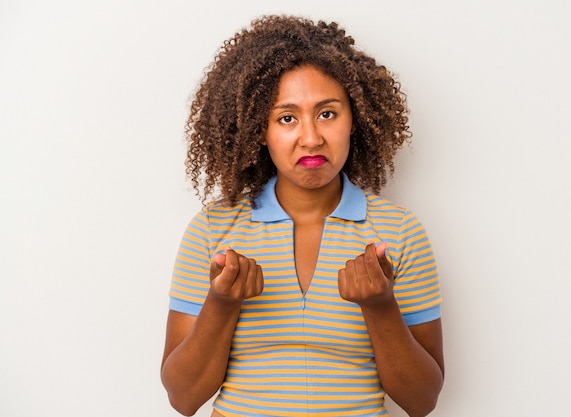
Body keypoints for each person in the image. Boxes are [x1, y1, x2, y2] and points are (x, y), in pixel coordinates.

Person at [161, 15, 444, 417]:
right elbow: (183, 399)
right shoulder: (213, 229)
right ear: (261, 130)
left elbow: (422, 401)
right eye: (287, 118)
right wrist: (221, 304)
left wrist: (380, 307)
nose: (310, 137)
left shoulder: (398, 232)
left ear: (354, 119)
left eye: (327, 113)